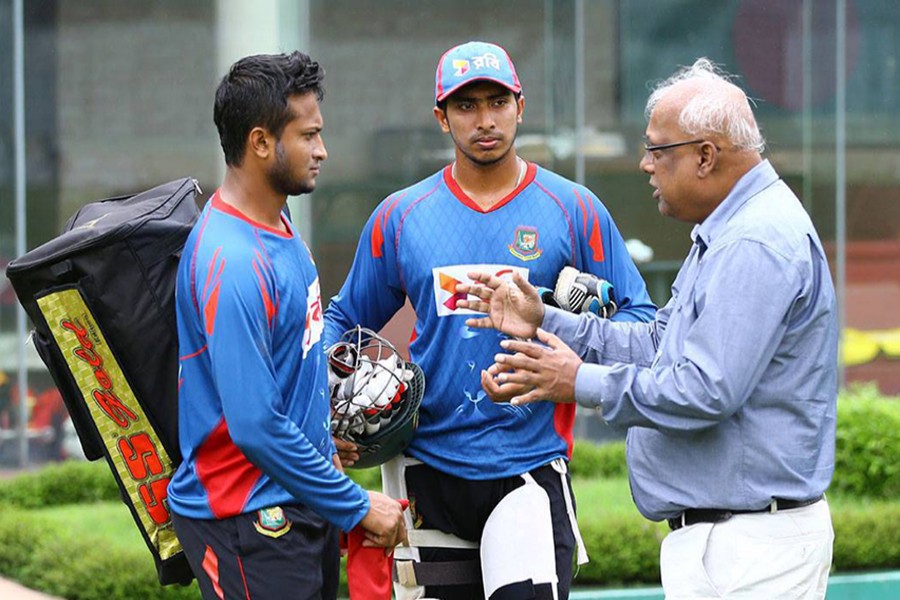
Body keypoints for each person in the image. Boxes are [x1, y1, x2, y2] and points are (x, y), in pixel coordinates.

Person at [459, 57, 837, 599]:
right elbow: (660, 344)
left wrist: (577, 381)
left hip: (752, 544)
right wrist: (545, 320)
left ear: (705, 156)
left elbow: (705, 390)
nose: (644, 165)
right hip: (733, 538)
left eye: (657, 150)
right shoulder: (729, 230)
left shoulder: (754, 240)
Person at [324, 41, 655, 599]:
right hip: (426, 470)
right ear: (442, 117)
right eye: (467, 105)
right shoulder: (400, 216)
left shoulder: (573, 209)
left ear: (520, 107)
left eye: (498, 102)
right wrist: (324, 406)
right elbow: (343, 319)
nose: (485, 120)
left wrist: (562, 341)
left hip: (529, 467)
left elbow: (641, 324)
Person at [167, 51, 407, 600]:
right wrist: (356, 505)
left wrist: (321, 438)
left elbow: (286, 368)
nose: (322, 150)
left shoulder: (279, 220)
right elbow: (254, 425)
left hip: (297, 499)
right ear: (260, 142)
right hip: (245, 521)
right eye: (309, 135)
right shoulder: (232, 264)